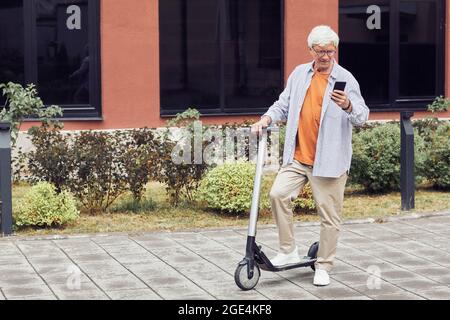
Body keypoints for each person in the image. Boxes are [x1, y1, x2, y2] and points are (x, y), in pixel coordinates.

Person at [251, 25, 370, 286]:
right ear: (311, 51)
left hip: (329, 161)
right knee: (277, 195)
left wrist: (348, 105)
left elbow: (362, 116)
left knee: (329, 216)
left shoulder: (346, 79)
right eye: (320, 51)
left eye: (330, 50)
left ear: (335, 50)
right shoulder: (298, 75)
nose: (325, 56)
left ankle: (324, 265)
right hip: (298, 156)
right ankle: (288, 249)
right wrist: (266, 118)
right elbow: (282, 104)